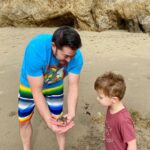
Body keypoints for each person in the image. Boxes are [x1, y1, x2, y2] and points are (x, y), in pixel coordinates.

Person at [18, 26, 84, 150]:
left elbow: (73, 86)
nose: (69, 60)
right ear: (54, 46)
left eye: (72, 56)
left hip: (54, 84)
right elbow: (36, 92)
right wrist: (48, 121)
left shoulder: (76, 57)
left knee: (60, 121)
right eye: (65, 56)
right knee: (24, 121)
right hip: (30, 84)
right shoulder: (35, 50)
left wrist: (72, 112)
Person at [94, 72, 137, 150]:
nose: (97, 98)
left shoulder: (123, 120)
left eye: (100, 97)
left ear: (114, 99)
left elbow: (132, 145)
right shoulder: (111, 108)